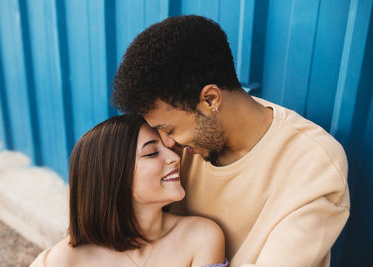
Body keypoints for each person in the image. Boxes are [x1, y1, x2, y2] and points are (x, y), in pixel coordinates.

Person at [112, 15, 350, 267]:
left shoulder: (315, 164)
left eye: (168, 129)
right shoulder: (174, 149)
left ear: (211, 99)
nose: (166, 144)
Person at [30, 115, 228, 267]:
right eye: (151, 153)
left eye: (170, 149)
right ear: (112, 176)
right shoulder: (67, 259)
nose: (174, 157)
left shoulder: (201, 236)